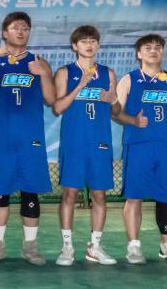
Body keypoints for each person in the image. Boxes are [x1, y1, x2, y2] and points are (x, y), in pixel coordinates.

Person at [0, 12, 55, 266]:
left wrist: (43, 74)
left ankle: (30, 246)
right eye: (15, 27)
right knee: (0, 192)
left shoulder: (39, 62)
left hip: (30, 137)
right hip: (1, 137)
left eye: (25, 28)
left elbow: (51, 99)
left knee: (30, 191)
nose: (20, 32)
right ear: (4, 33)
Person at [113, 34, 167, 265]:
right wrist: (133, 120)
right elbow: (116, 113)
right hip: (138, 145)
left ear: (163, 52)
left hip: (166, 145)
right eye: (148, 47)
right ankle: (133, 246)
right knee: (134, 196)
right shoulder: (129, 79)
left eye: (158, 47)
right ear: (139, 53)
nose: (153, 51)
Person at [51, 25, 119, 266]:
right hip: (74, 142)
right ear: (74, 46)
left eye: (93, 41)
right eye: (84, 41)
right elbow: (58, 108)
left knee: (99, 194)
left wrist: (113, 100)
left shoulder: (108, 73)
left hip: (100, 142)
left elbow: (116, 110)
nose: (89, 45)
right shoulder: (65, 72)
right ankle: (67, 247)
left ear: (98, 45)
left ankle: (95, 247)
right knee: (70, 193)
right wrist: (79, 86)